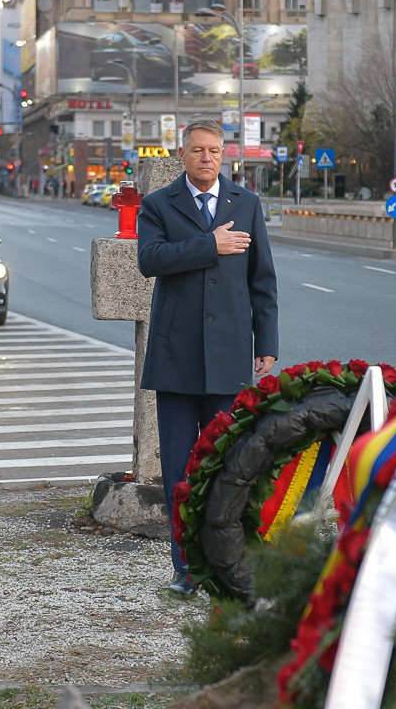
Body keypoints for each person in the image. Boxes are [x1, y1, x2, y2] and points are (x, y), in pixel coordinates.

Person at [136, 117, 279, 596]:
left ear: (225, 156)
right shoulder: (158, 205)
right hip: (175, 360)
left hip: (228, 358)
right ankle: (184, 568)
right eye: (198, 150)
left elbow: (263, 282)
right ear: (182, 155)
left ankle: (223, 565)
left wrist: (268, 346)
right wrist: (210, 245)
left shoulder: (248, 204)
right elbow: (149, 260)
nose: (206, 158)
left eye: (214, 151)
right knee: (180, 470)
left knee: (224, 469)